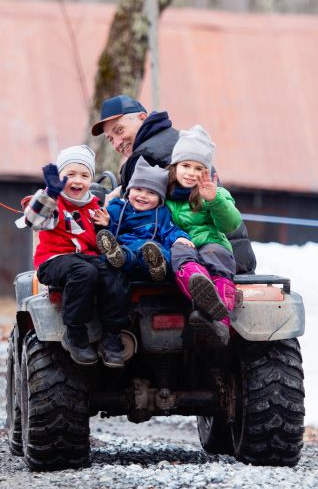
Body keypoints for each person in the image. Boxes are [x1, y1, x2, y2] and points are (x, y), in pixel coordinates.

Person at [92, 94, 257, 274]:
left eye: (120, 130)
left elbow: (139, 219)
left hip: (205, 258)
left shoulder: (144, 156)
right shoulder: (179, 142)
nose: (116, 143)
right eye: (110, 139)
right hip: (234, 255)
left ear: (142, 118)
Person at [16, 145, 130, 368]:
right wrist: (50, 193)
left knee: (114, 273)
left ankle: (112, 336)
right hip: (55, 260)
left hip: (86, 258)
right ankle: (76, 334)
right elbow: (34, 220)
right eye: (70, 175)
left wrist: (105, 226)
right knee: (83, 272)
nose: (77, 180)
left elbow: (101, 241)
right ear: (59, 178)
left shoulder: (93, 206)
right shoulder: (53, 204)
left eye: (84, 175)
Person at [165, 126, 242, 346]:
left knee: (216, 256)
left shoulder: (214, 192)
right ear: (175, 167)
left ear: (206, 170)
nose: (190, 172)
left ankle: (221, 323)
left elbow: (231, 223)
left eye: (198, 168)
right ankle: (200, 289)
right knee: (180, 253)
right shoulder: (164, 194)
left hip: (211, 242)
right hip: (182, 243)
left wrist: (214, 200)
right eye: (186, 165)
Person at [96, 158, 192, 282]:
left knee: (159, 250)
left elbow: (169, 230)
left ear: (160, 199)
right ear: (129, 191)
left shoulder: (160, 213)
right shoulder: (118, 208)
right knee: (124, 251)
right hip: (126, 247)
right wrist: (106, 223)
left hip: (150, 248)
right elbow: (111, 231)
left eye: (151, 192)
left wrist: (180, 237)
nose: (143, 196)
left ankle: (158, 266)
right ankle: (117, 258)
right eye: (138, 189)